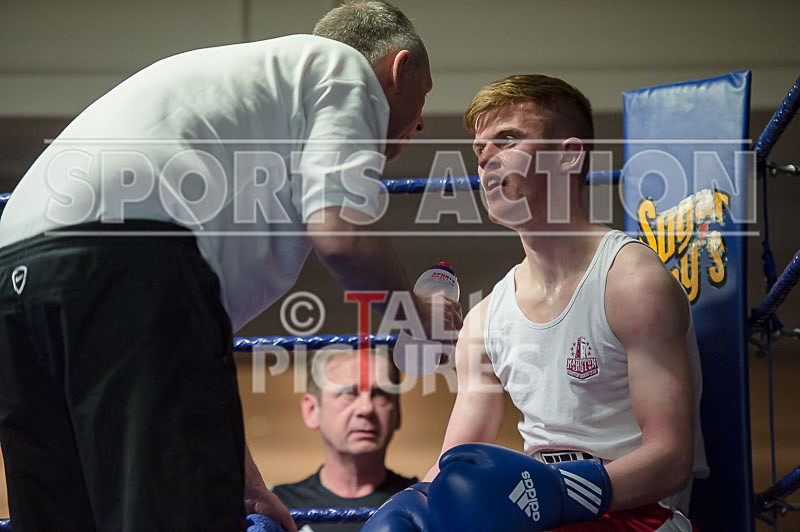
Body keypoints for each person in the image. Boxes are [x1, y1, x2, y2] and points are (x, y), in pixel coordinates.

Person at [0, 2, 462, 531]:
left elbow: (190, 353)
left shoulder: (251, 105)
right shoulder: (342, 68)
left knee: (59, 517)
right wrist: (419, 317)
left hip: (15, 270)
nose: (422, 123)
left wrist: (244, 481)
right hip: (124, 259)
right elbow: (340, 236)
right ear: (398, 69)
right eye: (423, 98)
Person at [363, 74, 708, 531]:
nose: (485, 158)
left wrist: (563, 491)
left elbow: (671, 457)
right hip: (543, 515)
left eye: (507, 139)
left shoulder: (631, 282)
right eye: (478, 149)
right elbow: (454, 463)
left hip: (639, 516)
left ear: (568, 156)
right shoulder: (486, 319)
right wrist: (416, 503)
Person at [272, 348, 416, 532]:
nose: (366, 408)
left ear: (397, 411)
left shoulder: (422, 502)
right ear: (311, 410)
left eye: (380, 393)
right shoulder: (278, 507)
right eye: (349, 393)